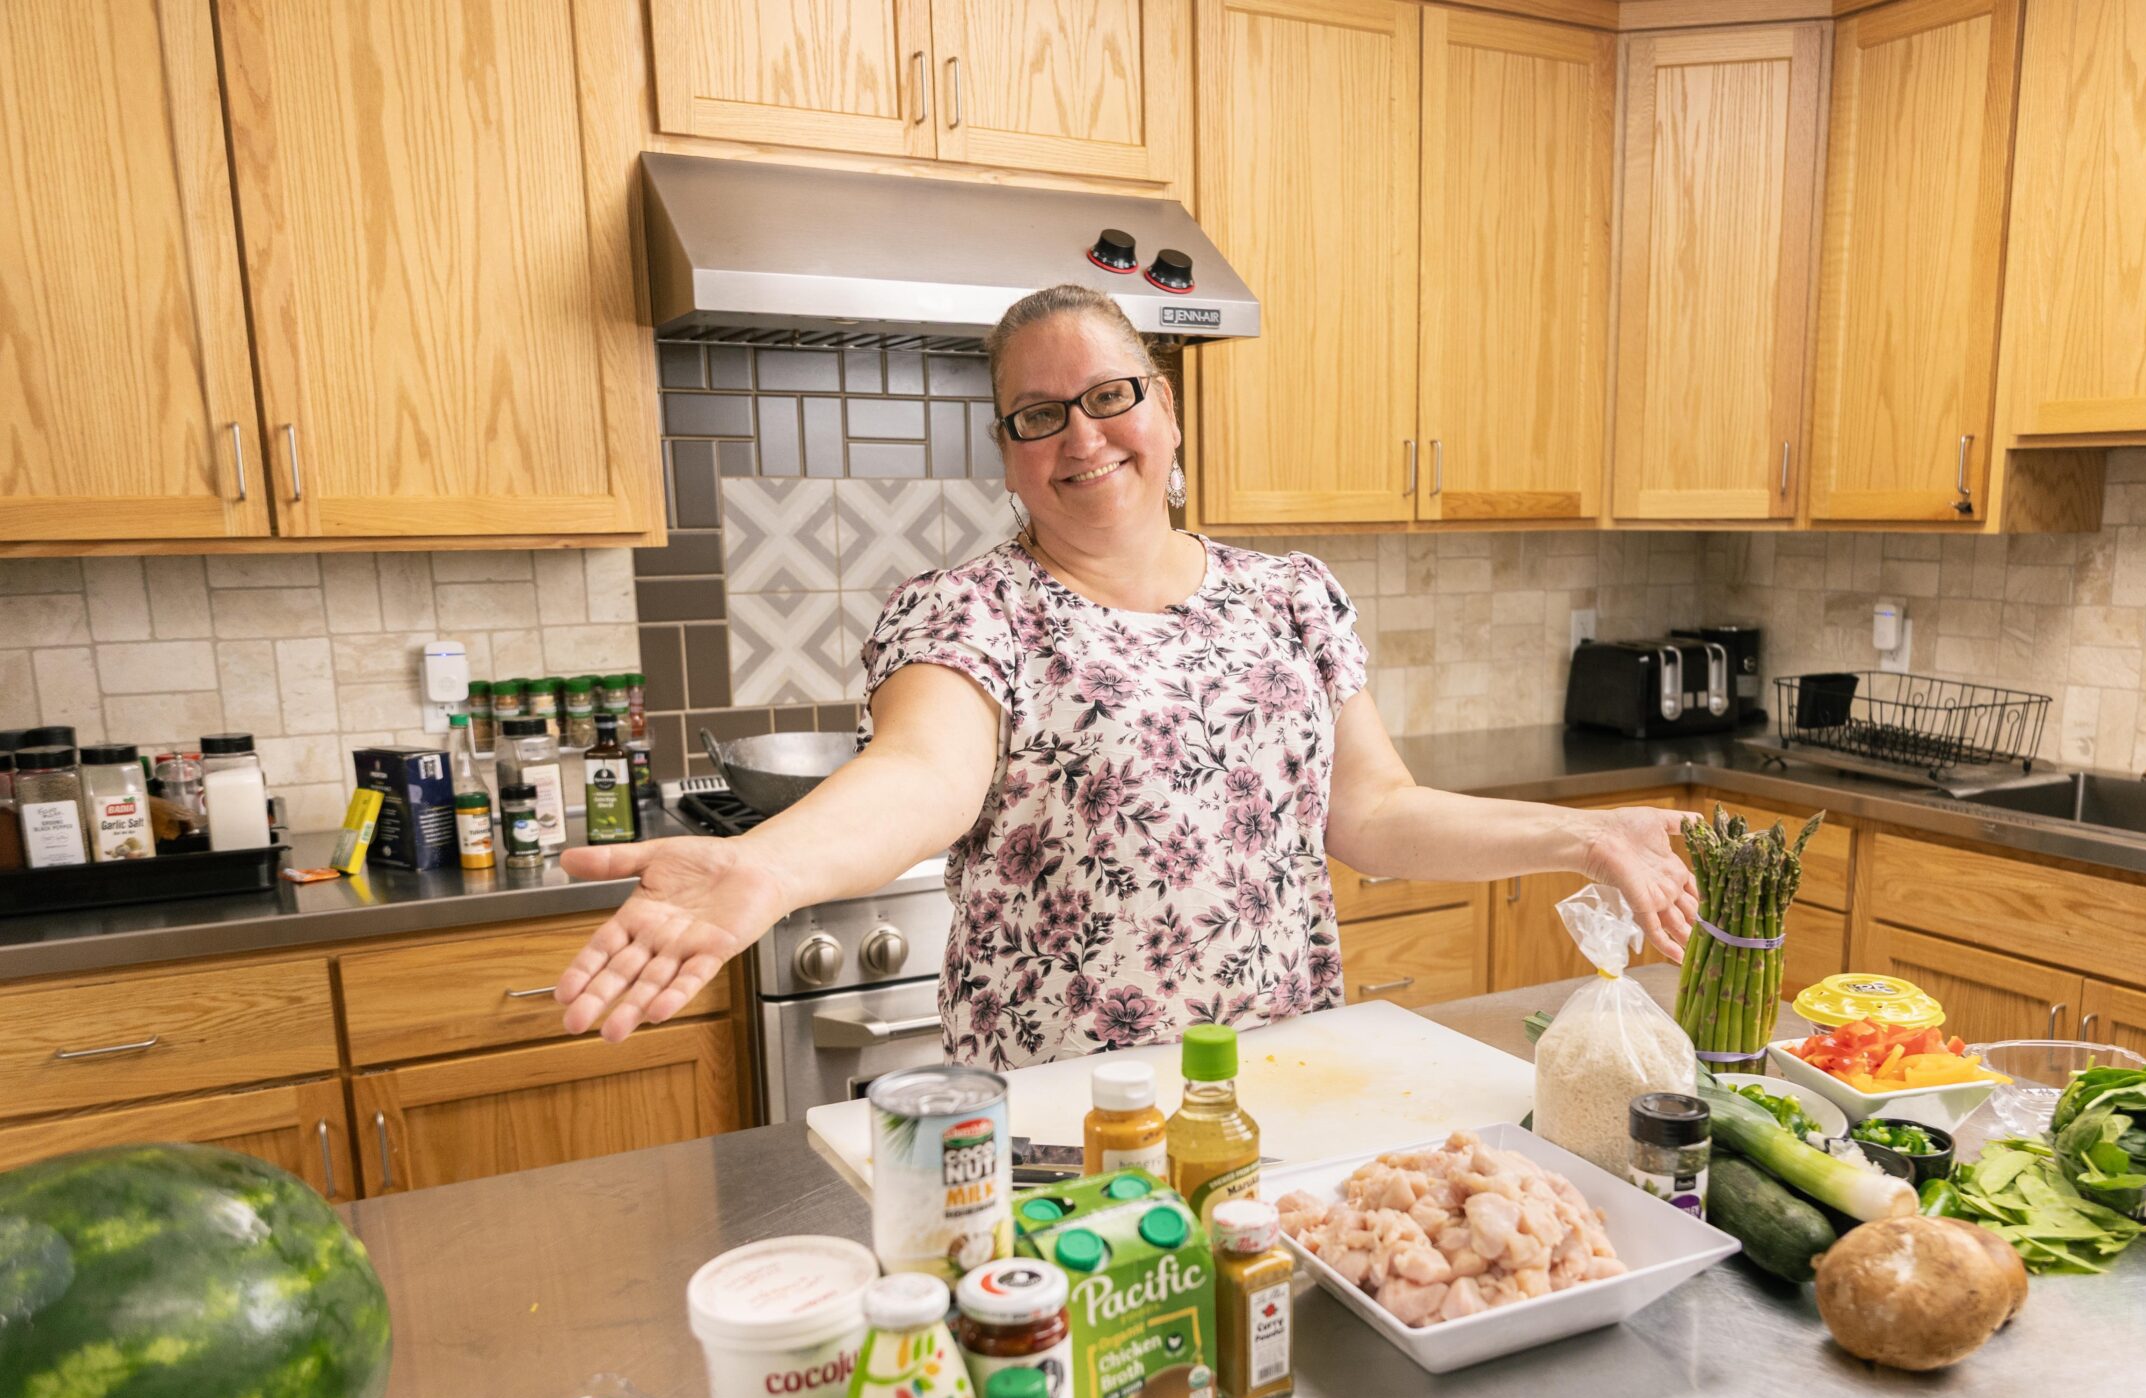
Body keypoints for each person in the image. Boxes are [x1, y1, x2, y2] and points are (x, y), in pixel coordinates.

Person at [556, 284, 1698, 1067]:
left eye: (1111, 395)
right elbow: (922, 776)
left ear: (1168, 411)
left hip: (1280, 1080)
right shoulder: (968, 611)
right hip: (1066, 1117)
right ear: (1008, 455)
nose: (1081, 435)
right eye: (1038, 414)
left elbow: (1376, 813)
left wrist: (1578, 839)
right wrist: (767, 867)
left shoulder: (1293, 596)